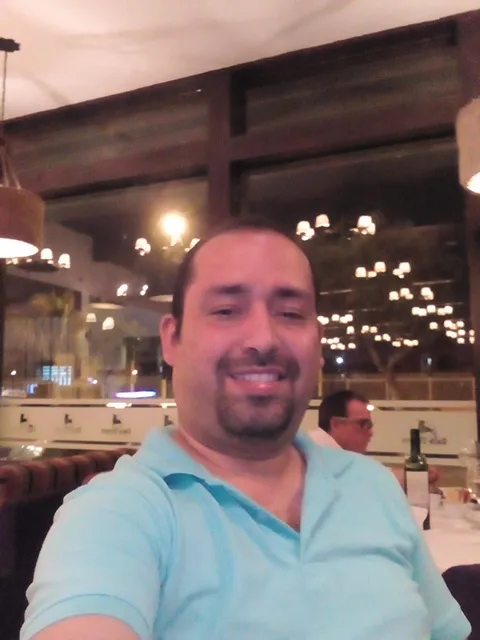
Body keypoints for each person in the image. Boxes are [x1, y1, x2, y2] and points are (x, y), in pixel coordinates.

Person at [21, 218, 469, 640]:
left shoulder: (373, 485)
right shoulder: (119, 512)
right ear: (172, 339)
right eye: (226, 310)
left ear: (317, 340)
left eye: (290, 313)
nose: (263, 338)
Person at [314, 389, 440, 488]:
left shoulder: (340, 457)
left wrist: (414, 477)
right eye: (364, 424)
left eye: (370, 425)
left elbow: (366, 474)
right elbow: (362, 480)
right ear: (336, 424)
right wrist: (414, 477)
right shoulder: (316, 456)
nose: (371, 433)